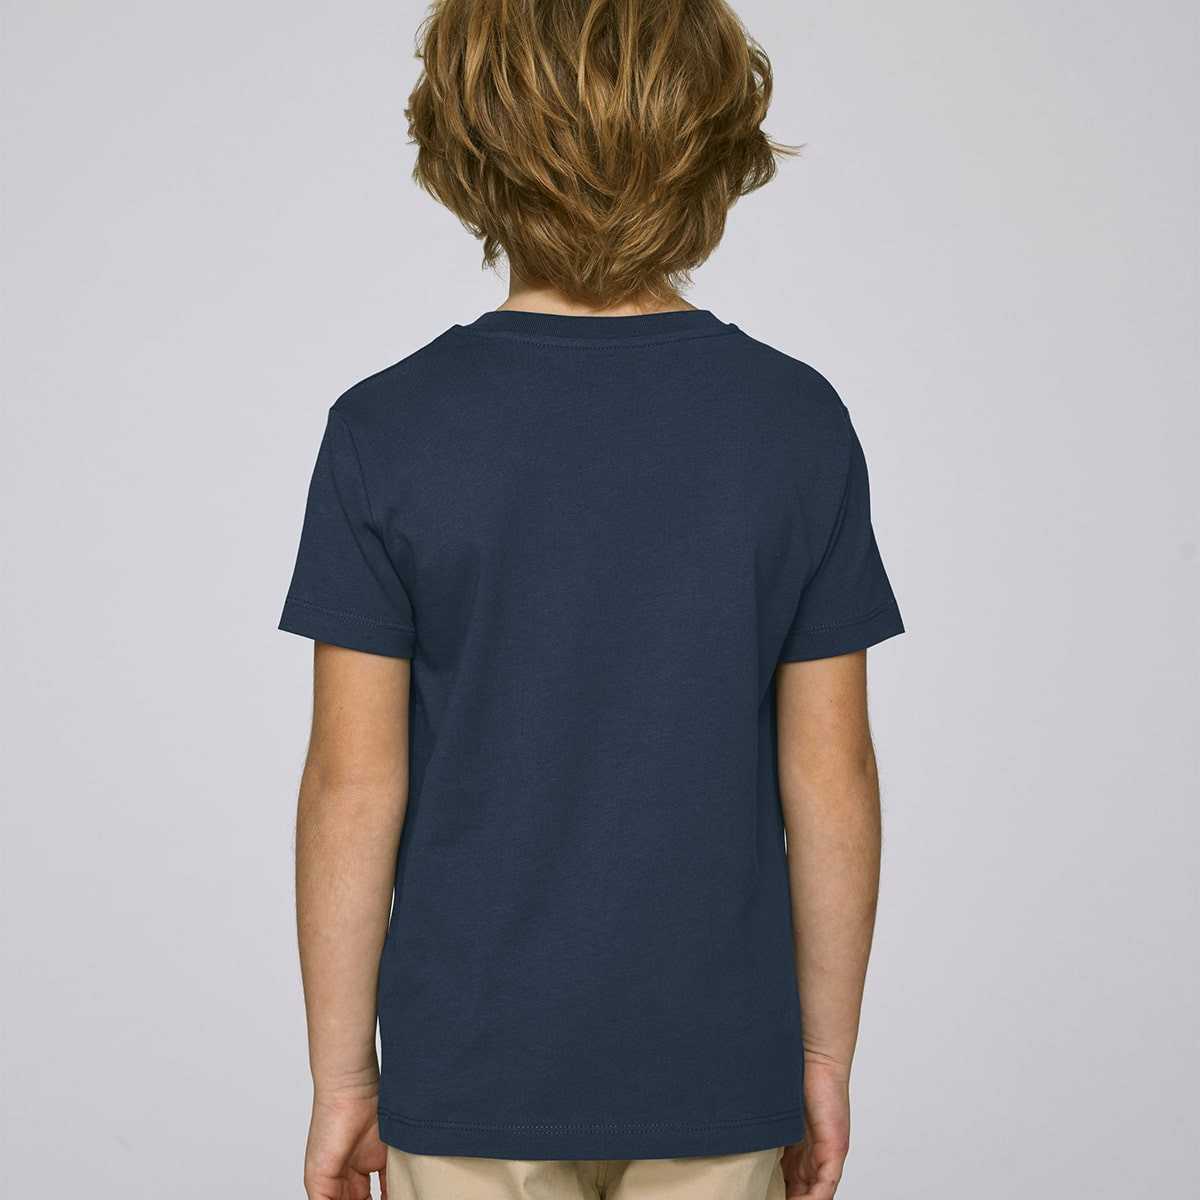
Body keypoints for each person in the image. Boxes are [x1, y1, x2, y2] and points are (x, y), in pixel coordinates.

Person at [279, 2, 903, 1197]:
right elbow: (833, 776)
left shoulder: (387, 430)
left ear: (463, 147)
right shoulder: (793, 423)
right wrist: (822, 1059)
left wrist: (344, 1079)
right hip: (717, 1069)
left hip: (470, 1073)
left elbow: (352, 785)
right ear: (716, 143)